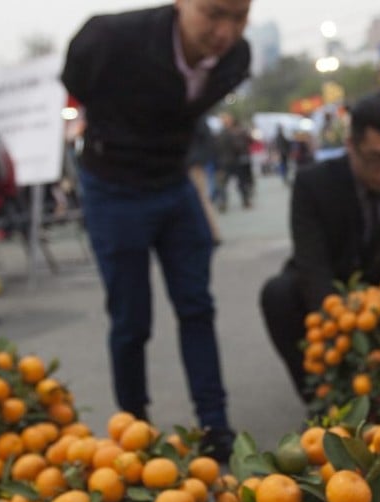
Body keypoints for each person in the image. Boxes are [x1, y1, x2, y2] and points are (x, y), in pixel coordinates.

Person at [62, 0, 252, 460]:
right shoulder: (109, 38)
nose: (225, 30)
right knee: (131, 319)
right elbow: (76, 81)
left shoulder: (236, 58)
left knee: (196, 306)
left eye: (239, 15)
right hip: (113, 187)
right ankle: (134, 431)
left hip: (172, 183)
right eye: (213, 12)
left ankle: (215, 427)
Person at [260, 90, 380, 401]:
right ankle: (322, 398)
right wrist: (341, 330)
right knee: (278, 294)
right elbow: (312, 265)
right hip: (324, 289)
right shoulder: (314, 184)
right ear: (351, 145)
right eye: (376, 159)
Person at [186, 117, 222, 245]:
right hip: (193, 164)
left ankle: (213, 233)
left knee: (201, 199)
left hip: (192, 165)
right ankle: (212, 232)